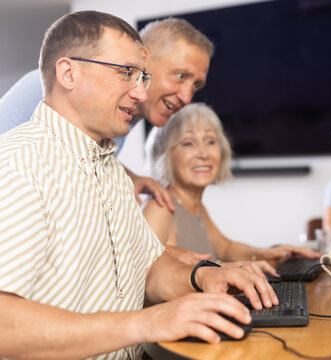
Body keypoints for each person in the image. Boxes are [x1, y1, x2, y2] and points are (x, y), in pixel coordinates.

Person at [0, 11, 278, 359]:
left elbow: (147, 266)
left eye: (142, 77)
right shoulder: (18, 163)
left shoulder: (111, 167)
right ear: (68, 72)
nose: (141, 92)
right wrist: (147, 322)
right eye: (127, 73)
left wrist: (202, 277)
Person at [0, 16, 213, 208]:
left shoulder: (118, 114)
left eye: (196, 86)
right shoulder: (64, 86)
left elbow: (76, 153)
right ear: (144, 58)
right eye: (181, 76)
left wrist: (128, 176)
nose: (187, 98)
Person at [142, 103, 320, 275]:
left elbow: (225, 248)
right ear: (164, 154)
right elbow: (146, 281)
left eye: (210, 141)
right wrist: (234, 268)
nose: (203, 153)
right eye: (188, 143)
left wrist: (267, 252)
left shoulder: (196, 207)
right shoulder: (160, 207)